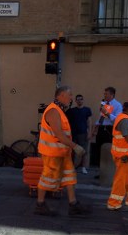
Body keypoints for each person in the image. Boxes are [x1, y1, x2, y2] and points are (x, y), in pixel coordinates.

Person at [34, 86, 90, 217]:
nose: (71, 98)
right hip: (52, 153)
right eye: (70, 95)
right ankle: (40, 205)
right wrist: (75, 146)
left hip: (62, 152)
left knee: (70, 177)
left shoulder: (58, 110)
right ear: (61, 96)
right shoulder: (53, 111)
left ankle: (73, 204)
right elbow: (59, 135)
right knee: (48, 178)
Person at [90, 86, 122, 168]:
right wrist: (94, 129)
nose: (104, 95)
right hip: (101, 129)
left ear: (112, 95)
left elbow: (117, 120)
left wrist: (107, 113)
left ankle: (109, 170)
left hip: (109, 130)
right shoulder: (104, 104)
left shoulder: (117, 105)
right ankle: (101, 170)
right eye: (104, 94)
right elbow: (101, 118)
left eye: (106, 94)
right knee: (99, 150)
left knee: (108, 150)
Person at [66, 94, 92, 174]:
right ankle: (72, 167)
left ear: (83, 100)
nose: (79, 101)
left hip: (83, 133)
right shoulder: (71, 111)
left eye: (81, 99)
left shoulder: (87, 110)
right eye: (78, 99)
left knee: (84, 151)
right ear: (75, 101)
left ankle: (83, 167)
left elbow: (89, 121)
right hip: (73, 134)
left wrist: (89, 132)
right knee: (72, 151)